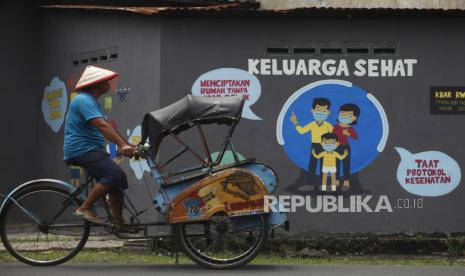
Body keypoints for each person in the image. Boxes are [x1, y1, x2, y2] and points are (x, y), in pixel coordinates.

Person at [63, 65, 136, 225]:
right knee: (114, 175)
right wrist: (122, 146)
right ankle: (84, 208)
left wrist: (128, 145)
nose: (109, 84)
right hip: (82, 149)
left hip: (91, 149)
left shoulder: (91, 102)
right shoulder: (83, 100)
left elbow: (107, 127)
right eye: (106, 82)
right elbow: (102, 126)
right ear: (96, 84)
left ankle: (118, 223)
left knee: (116, 182)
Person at [290, 98, 333, 192]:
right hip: (314, 146)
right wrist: (295, 123)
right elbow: (301, 131)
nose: (320, 113)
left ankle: (324, 185)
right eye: (318, 110)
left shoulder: (328, 125)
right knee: (312, 165)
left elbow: (334, 136)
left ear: (328, 112)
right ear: (312, 111)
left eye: (324, 111)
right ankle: (310, 184)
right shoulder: (312, 124)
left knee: (324, 166)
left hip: (326, 147)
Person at [332, 103, 360, 191]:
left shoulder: (350, 128)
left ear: (354, 118)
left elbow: (355, 137)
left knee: (346, 165)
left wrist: (348, 133)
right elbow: (332, 136)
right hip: (336, 148)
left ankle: (346, 183)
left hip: (345, 147)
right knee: (335, 165)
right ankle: (335, 182)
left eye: (348, 116)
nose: (344, 117)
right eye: (342, 114)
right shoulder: (336, 127)